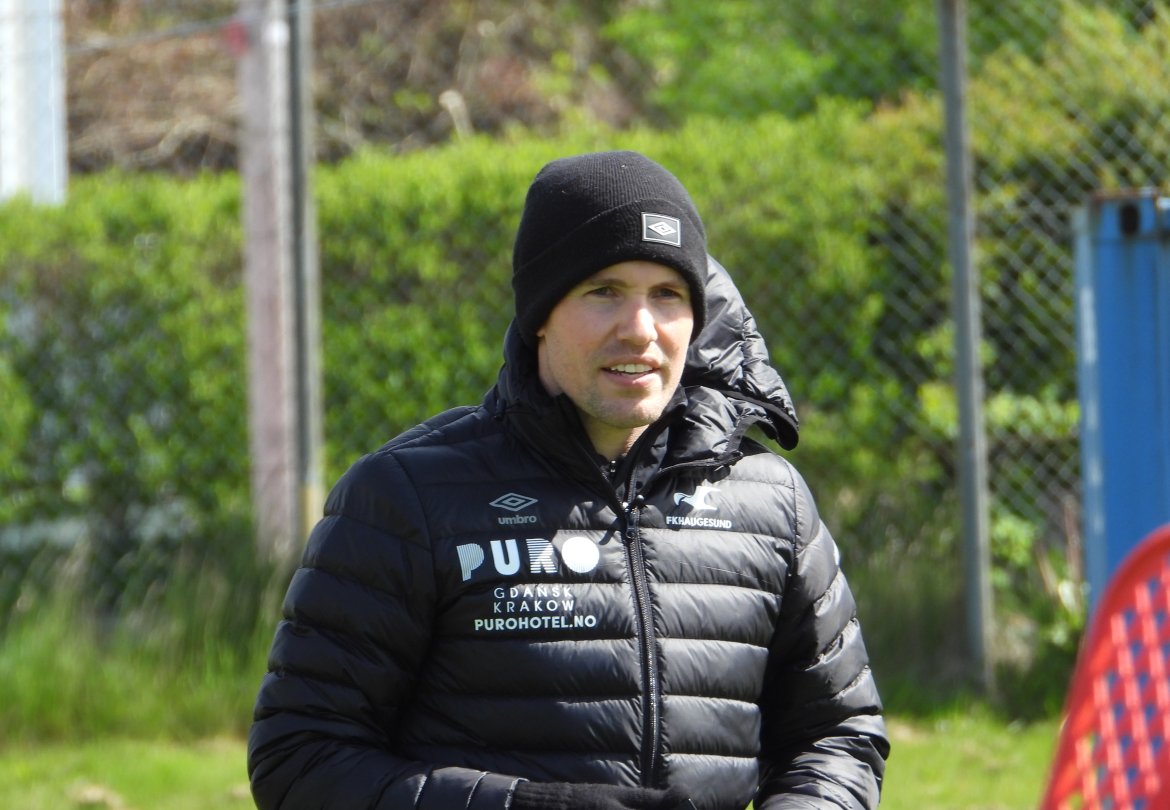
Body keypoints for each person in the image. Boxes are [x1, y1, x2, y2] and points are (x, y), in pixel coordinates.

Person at [248, 150, 889, 810]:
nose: (640, 330)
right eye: (603, 291)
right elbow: (300, 758)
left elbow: (837, 736)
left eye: (667, 295)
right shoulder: (405, 497)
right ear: (540, 315)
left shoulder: (771, 501)